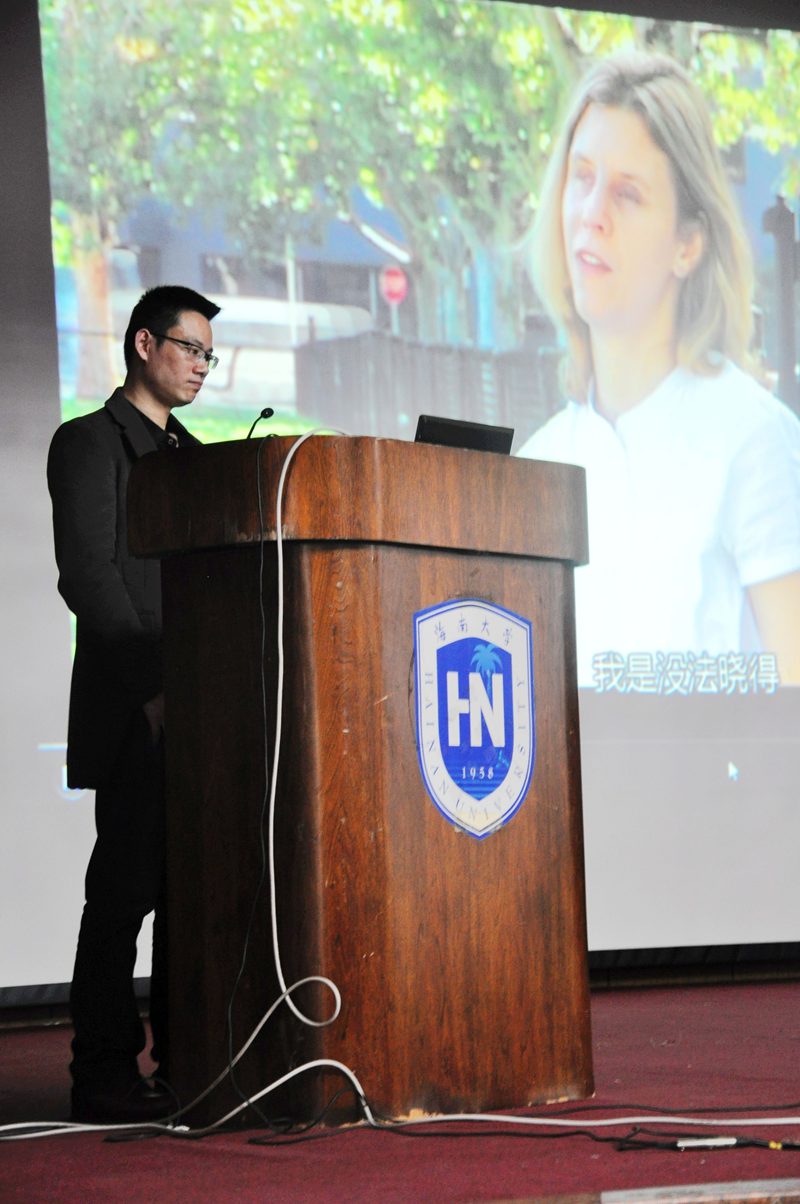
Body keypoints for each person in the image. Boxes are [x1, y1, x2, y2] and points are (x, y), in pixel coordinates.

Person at [518, 52, 800, 688]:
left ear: (688, 244)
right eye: (581, 177)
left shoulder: (752, 440)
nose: (592, 213)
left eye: (628, 193)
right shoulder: (536, 465)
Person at [47, 284, 221, 1122]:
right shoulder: (89, 442)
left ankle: (189, 1060)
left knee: (193, 897)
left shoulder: (196, 456)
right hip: (133, 710)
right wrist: (151, 689)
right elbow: (88, 577)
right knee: (123, 895)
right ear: (145, 344)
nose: (202, 366)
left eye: (210, 356)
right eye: (191, 348)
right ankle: (105, 1074)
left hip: (205, 710)